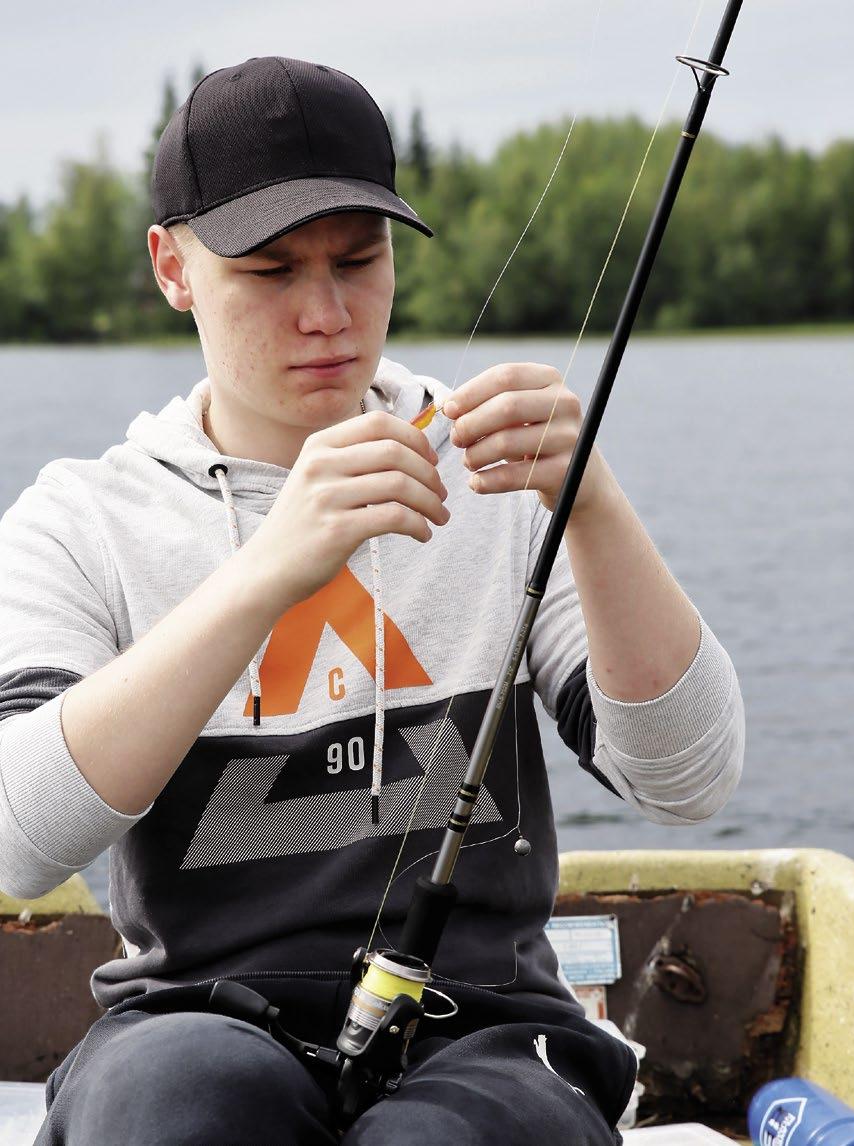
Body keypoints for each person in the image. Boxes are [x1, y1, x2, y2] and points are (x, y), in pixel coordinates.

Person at [0, 57, 744, 1145]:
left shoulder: (497, 471)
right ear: (172, 267)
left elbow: (689, 781)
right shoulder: (80, 522)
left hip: (487, 1027)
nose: (328, 315)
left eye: (360, 260)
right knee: (174, 1108)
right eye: (268, 271)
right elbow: (20, 845)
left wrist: (595, 507)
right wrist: (268, 573)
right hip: (188, 1022)